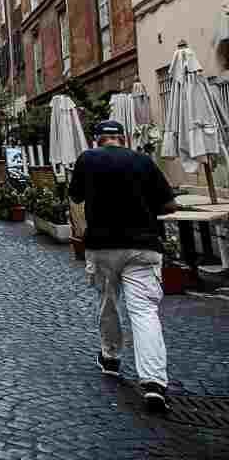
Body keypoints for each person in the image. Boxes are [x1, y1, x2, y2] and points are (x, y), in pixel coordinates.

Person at [69, 119, 178, 413]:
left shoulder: (87, 159)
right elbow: (169, 205)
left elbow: (75, 196)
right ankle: (154, 383)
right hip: (142, 246)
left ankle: (111, 357)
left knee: (108, 303)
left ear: (96, 139)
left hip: (102, 246)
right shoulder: (143, 161)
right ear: (124, 138)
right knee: (144, 311)